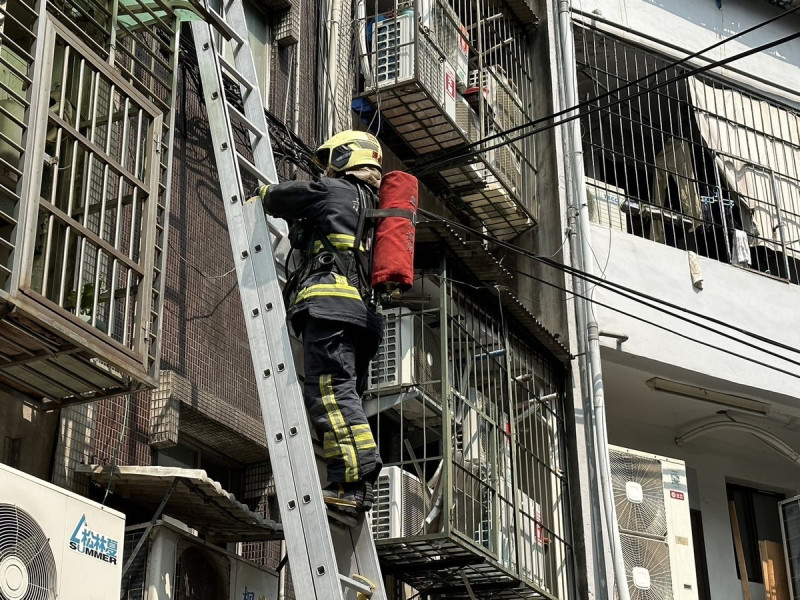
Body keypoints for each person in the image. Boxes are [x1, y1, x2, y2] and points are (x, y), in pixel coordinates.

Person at [251, 130, 384, 512]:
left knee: (330, 392)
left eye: (330, 161)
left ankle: (354, 482)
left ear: (346, 157)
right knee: (347, 396)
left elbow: (283, 196)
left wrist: (260, 195)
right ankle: (354, 488)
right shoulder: (375, 207)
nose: (325, 169)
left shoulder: (335, 190)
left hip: (331, 307)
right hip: (364, 318)